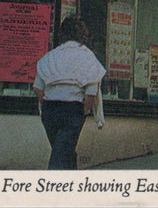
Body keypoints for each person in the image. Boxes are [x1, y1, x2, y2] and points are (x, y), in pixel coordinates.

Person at [33, 17, 105, 169]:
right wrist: (84, 111)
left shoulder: (50, 56)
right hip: (72, 109)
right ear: (83, 35)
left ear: (62, 34)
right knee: (61, 155)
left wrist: (46, 102)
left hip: (50, 109)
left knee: (62, 150)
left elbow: (38, 87)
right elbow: (91, 91)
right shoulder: (87, 57)